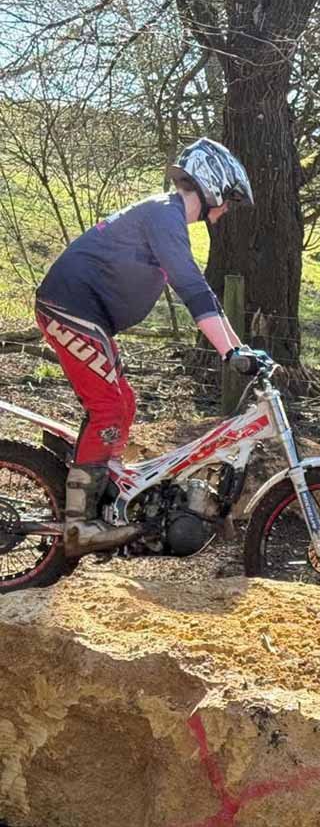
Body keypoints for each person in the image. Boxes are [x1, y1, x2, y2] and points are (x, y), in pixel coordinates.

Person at [35, 137, 263, 557]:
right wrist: (231, 354)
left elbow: (204, 296)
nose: (227, 208)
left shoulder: (167, 218)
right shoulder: (164, 215)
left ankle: (106, 494)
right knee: (108, 406)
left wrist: (239, 347)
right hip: (69, 308)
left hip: (87, 316)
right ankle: (79, 525)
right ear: (210, 185)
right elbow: (193, 290)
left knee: (125, 402)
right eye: (228, 198)